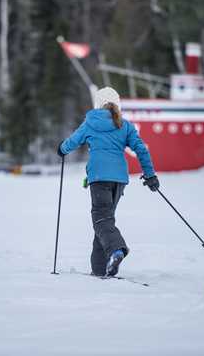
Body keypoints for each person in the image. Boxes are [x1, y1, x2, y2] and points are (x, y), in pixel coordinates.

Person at [58, 86, 159, 277]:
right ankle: (100, 270)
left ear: (98, 104)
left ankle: (116, 250)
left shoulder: (90, 122)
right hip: (119, 180)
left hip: (99, 178)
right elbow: (141, 149)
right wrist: (150, 175)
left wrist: (62, 149)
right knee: (104, 221)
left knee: (101, 220)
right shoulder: (124, 125)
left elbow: (73, 141)